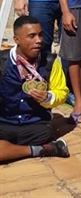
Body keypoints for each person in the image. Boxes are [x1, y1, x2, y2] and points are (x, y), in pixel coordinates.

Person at [0, 16, 69, 162]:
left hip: (35, 126)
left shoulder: (49, 61)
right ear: (17, 39)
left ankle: (10, 149)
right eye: (32, 36)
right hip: (4, 122)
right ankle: (41, 150)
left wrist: (48, 98)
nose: (38, 40)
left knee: (45, 133)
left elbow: (61, 91)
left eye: (40, 35)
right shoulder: (2, 62)